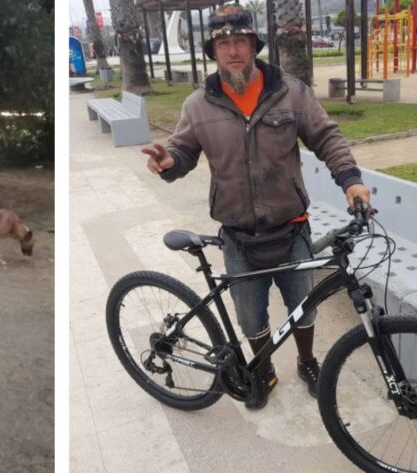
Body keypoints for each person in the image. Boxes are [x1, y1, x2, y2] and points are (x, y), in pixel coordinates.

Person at [142, 4, 371, 410]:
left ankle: (307, 361)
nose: (233, 51)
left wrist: (350, 180)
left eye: (240, 42)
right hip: (239, 236)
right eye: (223, 43)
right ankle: (263, 369)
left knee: (304, 311)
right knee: (250, 318)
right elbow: (181, 150)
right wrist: (168, 163)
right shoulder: (199, 104)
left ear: (254, 45)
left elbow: (326, 136)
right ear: (214, 50)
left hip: (291, 227)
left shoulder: (291, 92)